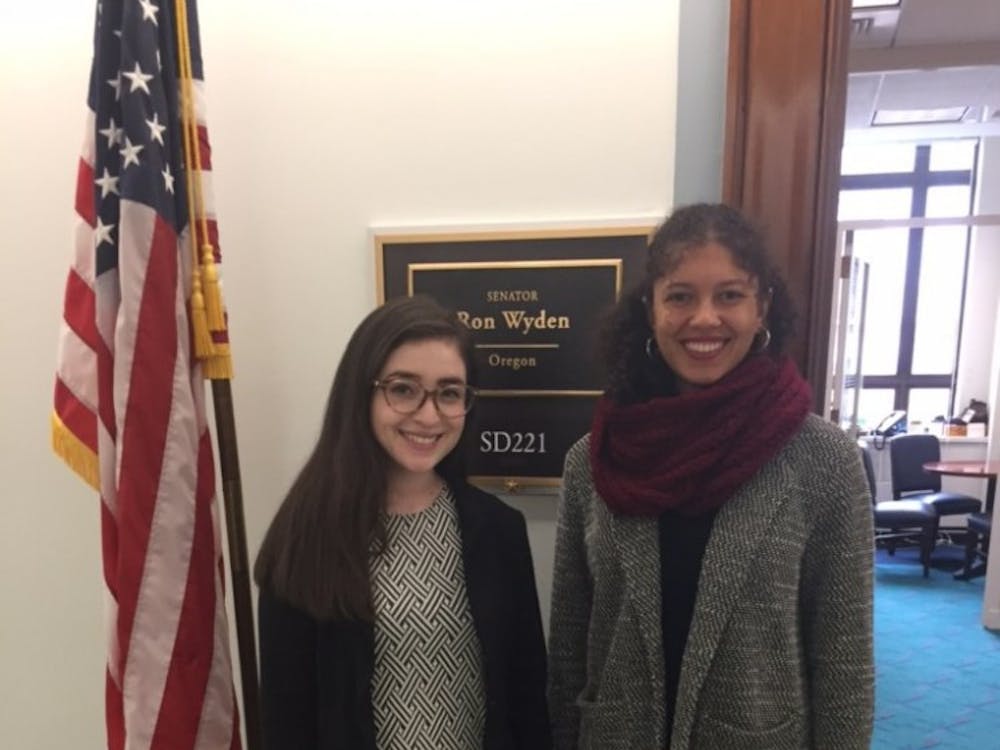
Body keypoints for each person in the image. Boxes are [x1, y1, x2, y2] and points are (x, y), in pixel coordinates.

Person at [547, 203, 874, 749]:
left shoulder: (823, 461)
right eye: (680, 296)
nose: (704, 319)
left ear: (761, 307)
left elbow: (844, 663)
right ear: (650, 308)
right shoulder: (595, 458)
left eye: (729, 295)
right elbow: (569, 647)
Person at [255, 294, 551, 750]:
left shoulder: (499, 531)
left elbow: (527, 699)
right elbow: (286, 721)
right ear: (362, 394)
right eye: (403, 389)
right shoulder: (305, 536)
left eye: (449, 393)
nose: (429, 416)